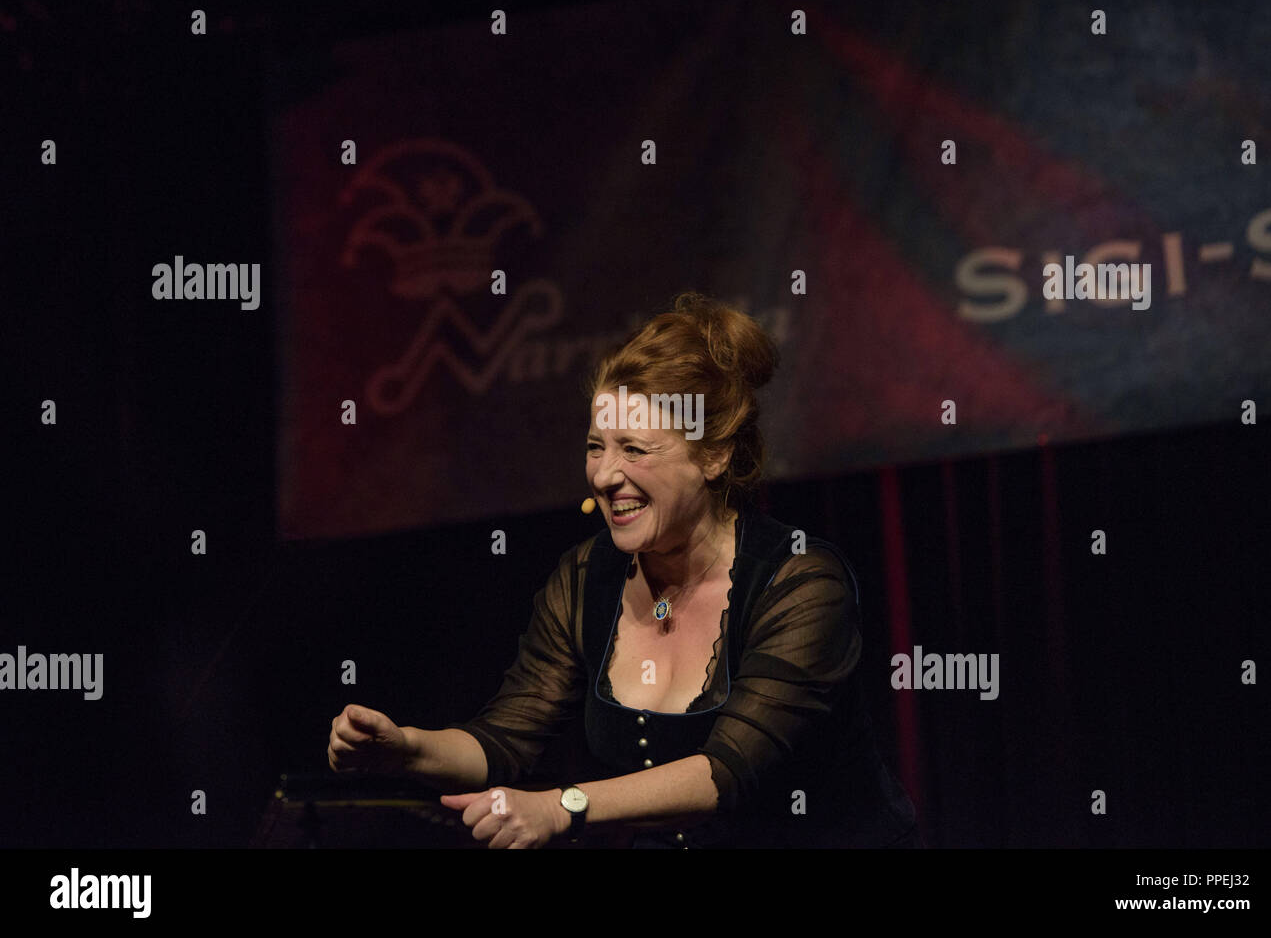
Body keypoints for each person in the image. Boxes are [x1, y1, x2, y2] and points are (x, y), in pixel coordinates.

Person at [328, 292, 919, 848]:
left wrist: (563, 806)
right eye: (595, 446)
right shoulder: (588, 576)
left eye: (633, 449)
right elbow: (505, 739)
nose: (604, 475)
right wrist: (406, 749)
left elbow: (725, 773)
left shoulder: (799, 582)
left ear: (712, 456)